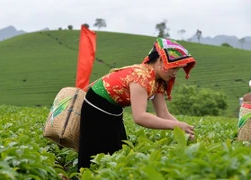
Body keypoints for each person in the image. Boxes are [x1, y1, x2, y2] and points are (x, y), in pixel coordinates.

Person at [77, 38, 196, 170]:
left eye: (177, 70)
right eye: (173, 68)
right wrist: (176, 125)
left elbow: (163, 113)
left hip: (114, 108)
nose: (174, 73)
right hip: (96, 106)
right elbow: (140, 117)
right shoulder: (141, 77)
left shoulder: (158, 82)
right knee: (96, 153)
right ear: (161, 60)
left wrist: (184, 130)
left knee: (117, 149)